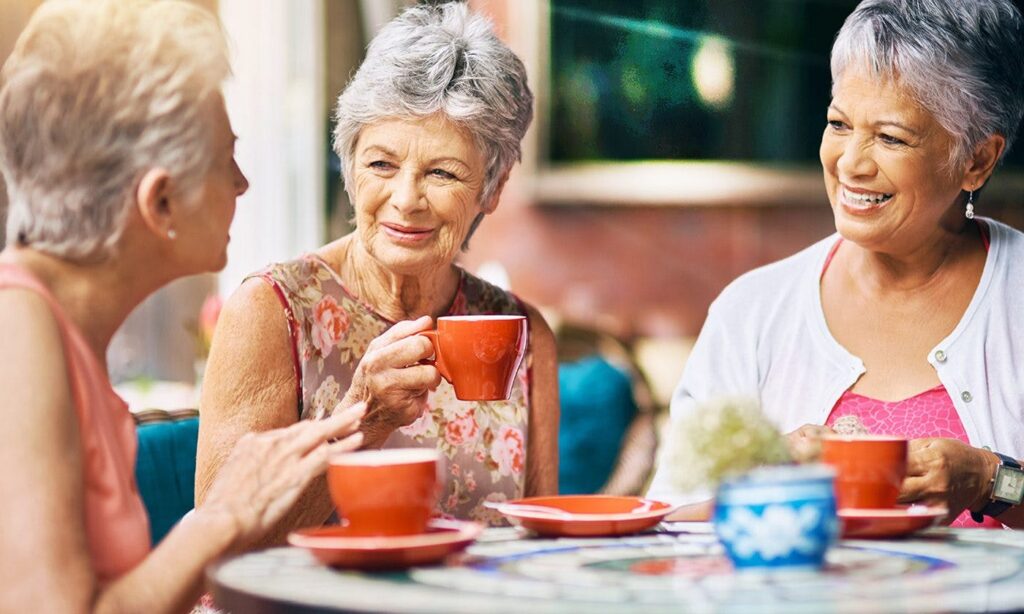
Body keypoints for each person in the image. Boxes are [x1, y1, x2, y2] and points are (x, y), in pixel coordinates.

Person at [0, 1, 365, 610]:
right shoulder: (17, 331)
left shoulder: (56, 333)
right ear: (160, 201)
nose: (243, 182)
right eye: (226, 157)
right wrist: (221, 514)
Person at [648, 0, 1024, 528]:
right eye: (839, 124)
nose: (850, 163)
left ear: (976, 160)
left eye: (891, 137)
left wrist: (989, 481)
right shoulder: (750, 312)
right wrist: (763, 475)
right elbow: (667, 521)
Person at [196, 1, 558, 542]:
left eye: (442, 172)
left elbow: (542, 542)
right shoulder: (271, 311)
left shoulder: (523, 338)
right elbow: (219, 550)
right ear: (350, 164)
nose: (406, 200)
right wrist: (363, 419)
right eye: (381, 165)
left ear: (492, 188)